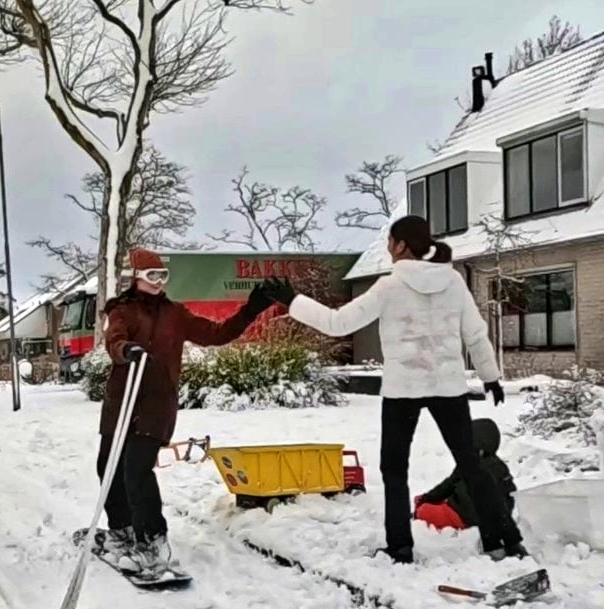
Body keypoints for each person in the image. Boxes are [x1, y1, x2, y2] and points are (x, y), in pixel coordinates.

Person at [259, 215, 528, 563]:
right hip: (448, 386)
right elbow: (475, 333)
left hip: (404, 389)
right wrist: (490, 376)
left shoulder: (390, 286)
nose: (387, 248)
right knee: (470, 466)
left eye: (390, 241)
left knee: (395, 469)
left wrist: (292, 300)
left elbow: (338, 323)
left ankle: (400, 548)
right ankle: (505, 541)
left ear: (401, 245)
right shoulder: (454, 281)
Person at [98, 248, 274, 573]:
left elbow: (217, 334)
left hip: (155, 406)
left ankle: (153, 540)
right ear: (136, 278)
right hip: (121, 402)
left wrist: (253, 308)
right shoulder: (122, 311)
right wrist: (127, 349)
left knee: (136, 472)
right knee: (107, 468)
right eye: (152, 276)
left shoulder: (175, 314)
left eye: (163, 276)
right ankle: (122, 530)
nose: (159, 282)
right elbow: (114, 341)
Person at [414, 418, 517, 532]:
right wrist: (428, 497)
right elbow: (450, 483)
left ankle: (423, 521)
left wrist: (449, 505)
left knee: (424, 511)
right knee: (422, 502)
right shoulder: (472, 463)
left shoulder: (489, 469)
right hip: (463, 509)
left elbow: (473, 508)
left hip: (468, 518)